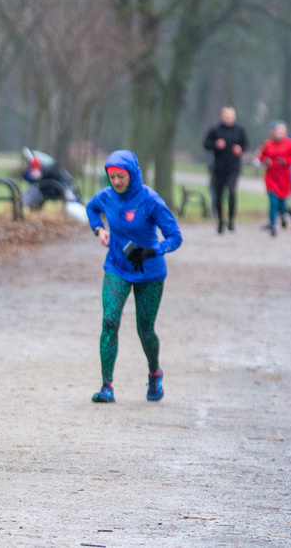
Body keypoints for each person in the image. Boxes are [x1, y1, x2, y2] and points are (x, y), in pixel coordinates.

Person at [85, 150, 182, 404]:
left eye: (121, 176)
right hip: (116, 266)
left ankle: (154, 373)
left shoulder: (150, 199)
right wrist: (99, 229)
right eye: (112, 176)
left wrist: (151, 251)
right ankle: (107, 386)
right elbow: (91, 208)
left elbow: (175, 237)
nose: (116, 182)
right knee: (109, 320)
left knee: (145, 330)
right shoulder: (106, 196)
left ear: (133, 174)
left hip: (149, 272)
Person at [203, 107, 249, 233]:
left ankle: (231, 220)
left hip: (233, 167)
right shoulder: (215, 130)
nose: (229, 119)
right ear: (221, 117)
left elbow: (246, 144)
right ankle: (220, 220)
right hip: (219, 168)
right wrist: (216, 144)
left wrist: (240, 149)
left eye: (231, 117)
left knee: (232, 191)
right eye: (226, 116)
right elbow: (206, 144)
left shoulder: (239, 130)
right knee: (219, 195)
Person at [257, 121, 291, 236]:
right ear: (273, 132)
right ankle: (273, 225)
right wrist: (265, 160)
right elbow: (261, 156)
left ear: (285, 133)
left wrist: (285, 161)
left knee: (282, 203)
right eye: (277, 131)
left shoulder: (290, 144)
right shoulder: (268, 143)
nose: (279, 133)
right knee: (273, 201)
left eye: (282, 131)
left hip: (284, 178)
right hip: (271, 177)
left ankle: (284, 215)